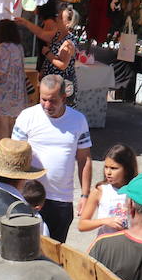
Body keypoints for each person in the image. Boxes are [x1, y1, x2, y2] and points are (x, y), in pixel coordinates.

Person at [13, 75, 92, 243]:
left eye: (53, 101)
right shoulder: (27, 117)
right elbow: (14, 156)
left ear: (64, 98)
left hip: (60, 200)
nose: (47, 105)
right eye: (43, 99)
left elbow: (84, 160)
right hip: (29, 197)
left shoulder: (78, 120)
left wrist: (85, 196)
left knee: (55, 255)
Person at [18, 1, 79, 102]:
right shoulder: (57, 35)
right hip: (51, 82)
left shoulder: (68, 42)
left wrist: (47, 53)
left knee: (58, 112)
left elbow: (62, 65)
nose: (56, 19)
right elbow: (41, 33)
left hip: (61, 85)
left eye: (60, 17)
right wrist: (25, 22)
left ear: (68, 23)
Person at [77, 143, 138, 239]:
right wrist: (105, 221)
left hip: (129, 244)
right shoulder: (100, 190)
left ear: (126, 169)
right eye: (106, 167)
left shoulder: (136, 190)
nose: (108, 172)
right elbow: (82, 225)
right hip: (105, 244)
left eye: (114, 168)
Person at [0, 18, 27, 140]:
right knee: (12, 125)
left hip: (4, 92)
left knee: (2, 125)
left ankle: (3, 153)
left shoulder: (2, 48)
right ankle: (13, 154)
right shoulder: (19, 47)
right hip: (17, 92)